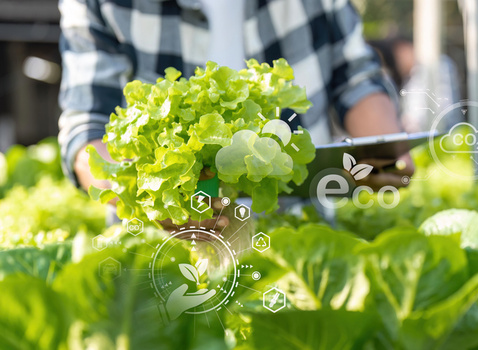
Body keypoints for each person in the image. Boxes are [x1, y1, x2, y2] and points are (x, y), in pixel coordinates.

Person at [58, 0, 414, 231]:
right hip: (162, 246)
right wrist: (151, 197)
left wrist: (383, 150)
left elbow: (355, 77)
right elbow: (87, 125)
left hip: (298, 236)